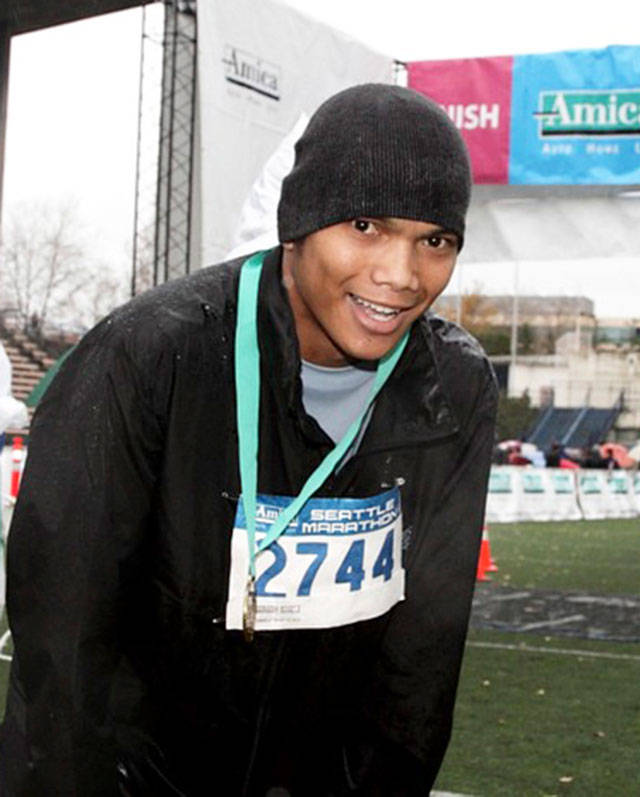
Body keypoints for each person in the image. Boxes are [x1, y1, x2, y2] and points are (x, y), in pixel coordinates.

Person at [0, 84, 497, 794]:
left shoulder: (456, 387)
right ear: (297, 224)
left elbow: (418, 668)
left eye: (435, 240)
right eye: (364, 225)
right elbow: (64, 662)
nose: (399, 274)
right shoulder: (144, 359)